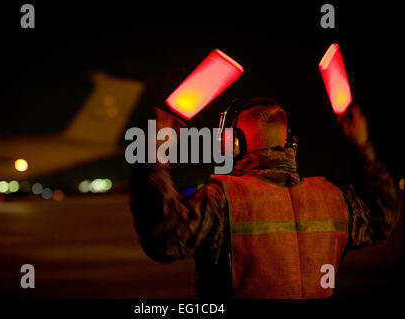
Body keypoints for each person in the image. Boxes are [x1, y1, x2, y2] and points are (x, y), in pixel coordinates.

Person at [129, 97, 401, 298]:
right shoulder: (335, 199)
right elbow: (383, 216)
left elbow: (162, 237)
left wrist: (153, 156)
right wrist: (362, 147)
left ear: (234, 143)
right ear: (290, 143)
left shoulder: (223, 201)